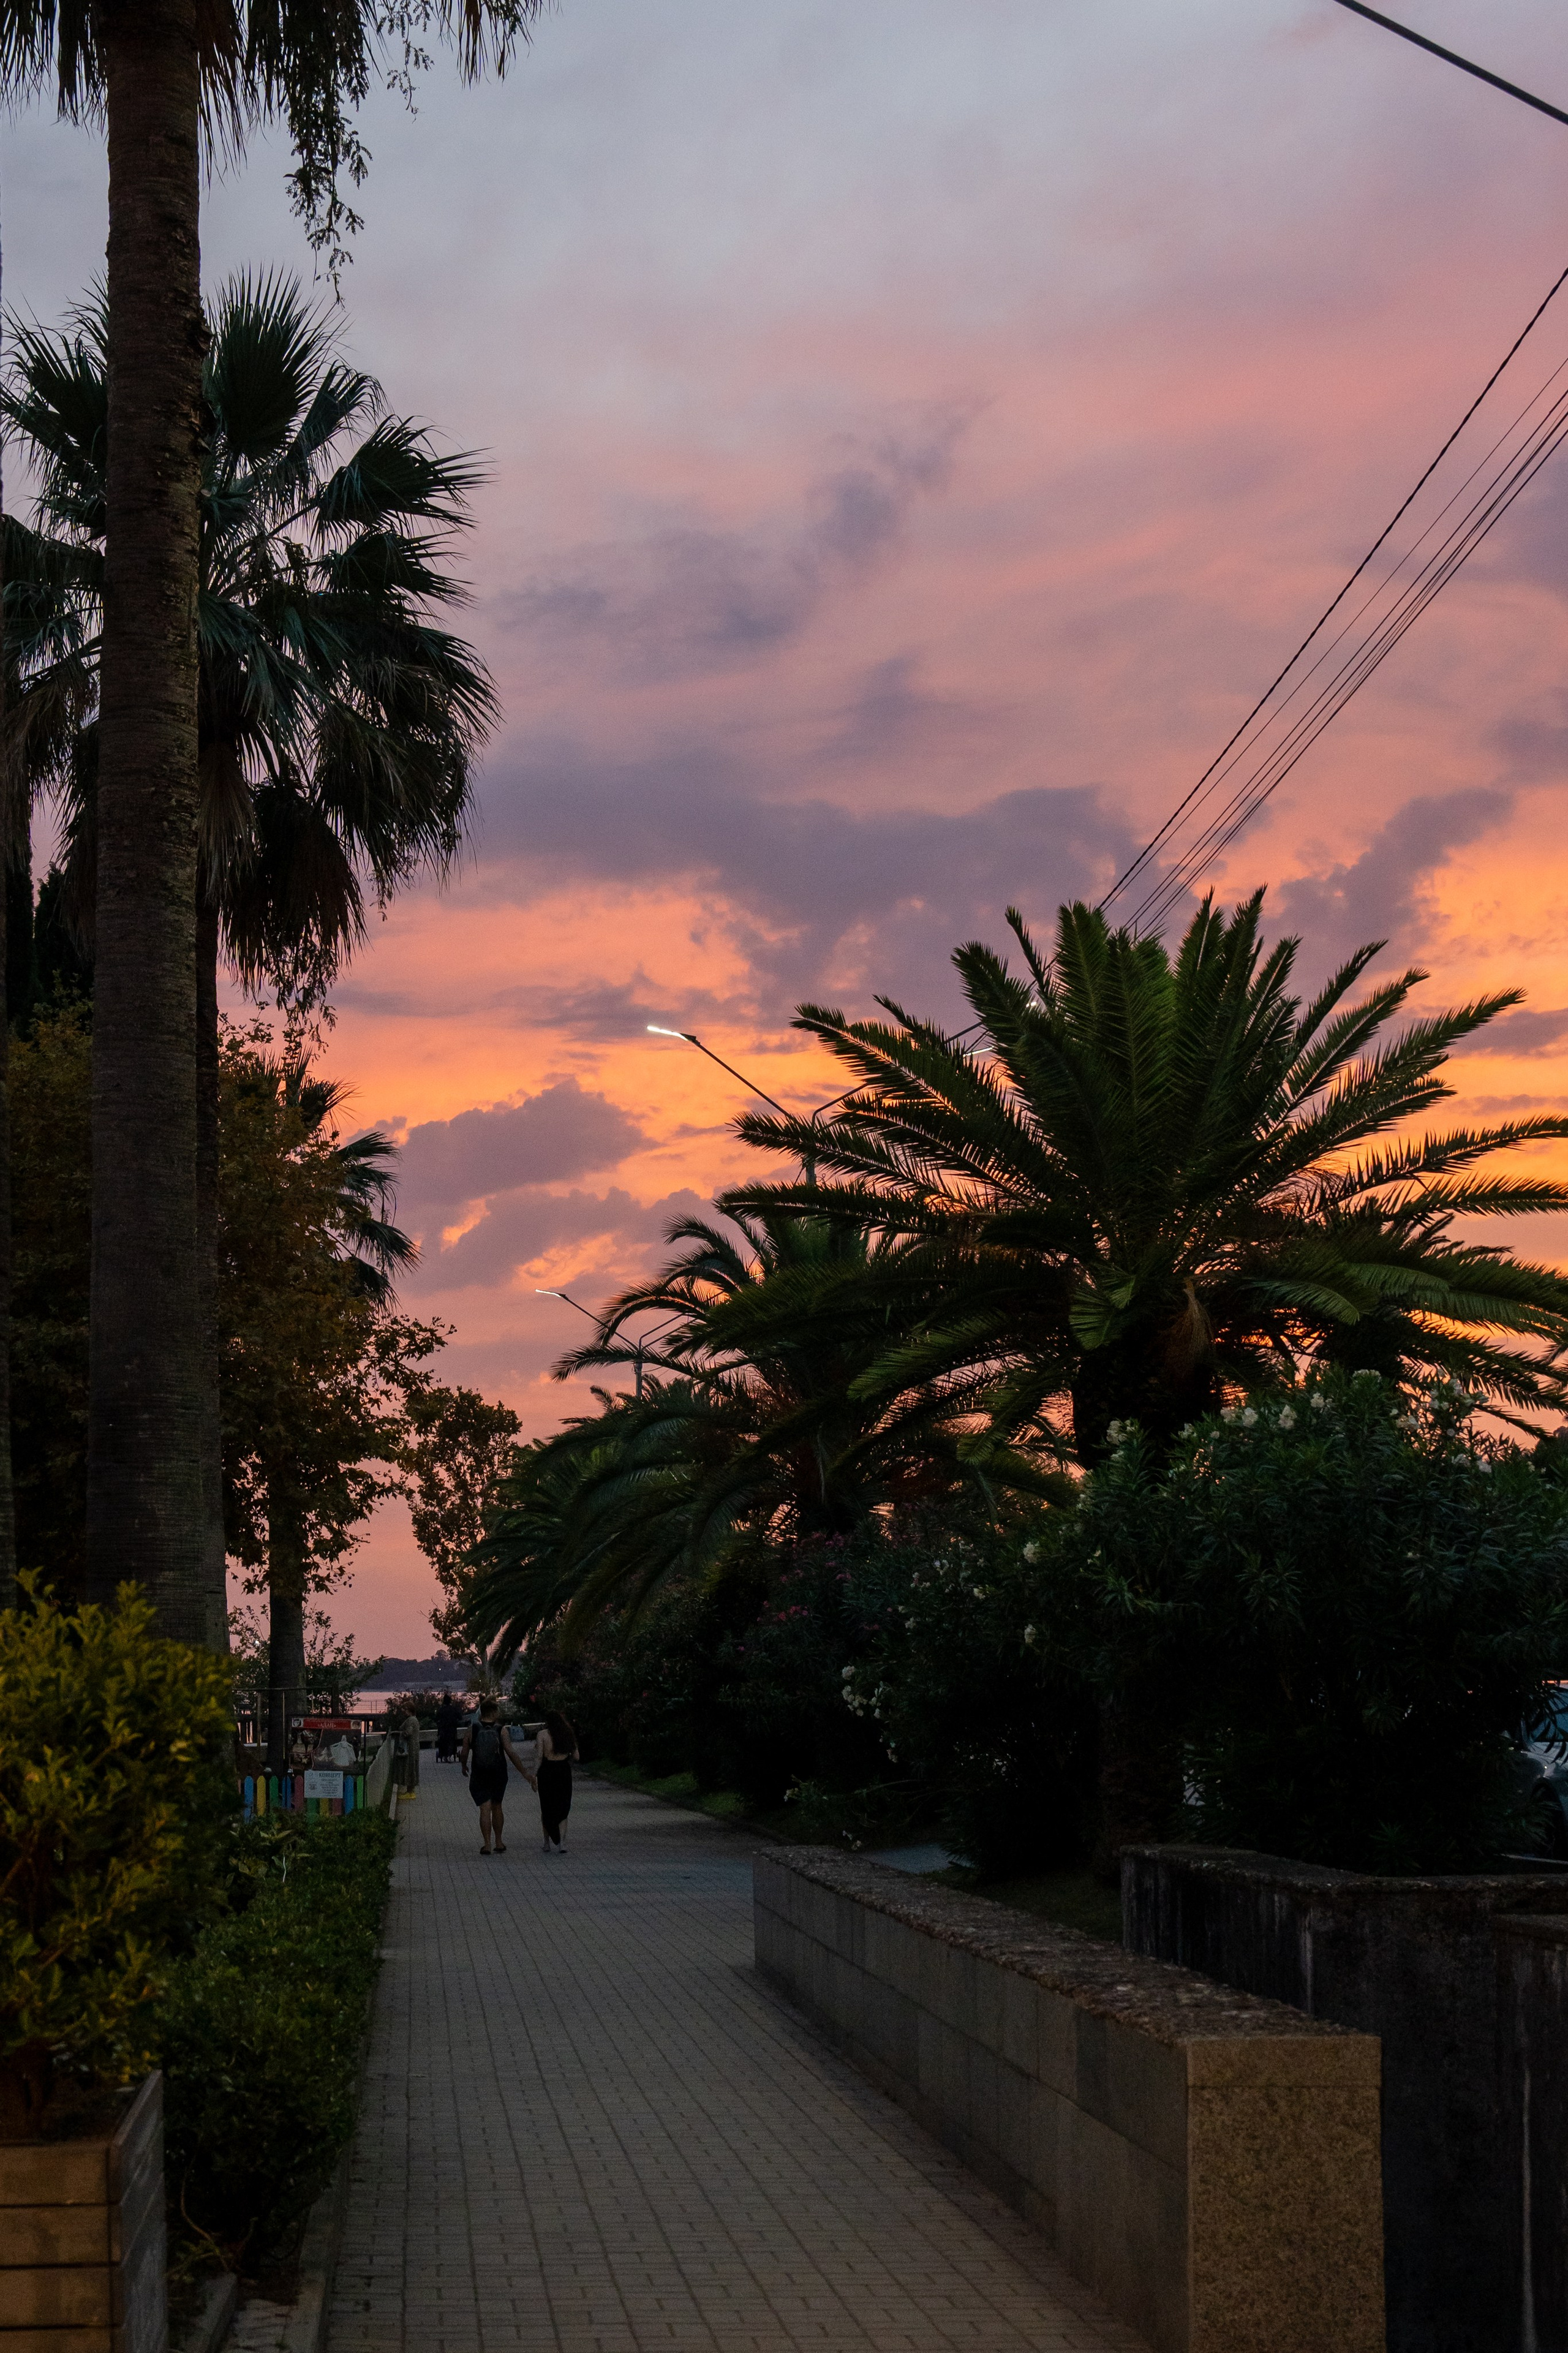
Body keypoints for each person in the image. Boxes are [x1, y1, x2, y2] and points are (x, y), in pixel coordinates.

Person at [460, 1698, 533, 1856]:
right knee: (497, 1806)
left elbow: (465, 1751)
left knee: (484, 1808)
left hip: (479, 1774)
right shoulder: (502, 1730)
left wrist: (464, 1766)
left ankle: (487, 1845)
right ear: (493, 1713)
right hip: (498, 1773)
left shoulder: (471, 1729)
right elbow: (511, 1753)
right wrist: (524, 1772)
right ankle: (499, 1842)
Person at [535, 1710, 579, 1856]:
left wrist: (533, 1775)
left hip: (547, 1772)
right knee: (563, 1807)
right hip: (563, 1772)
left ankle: (547, 1843)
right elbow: (577, 1756)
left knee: (546, 1807)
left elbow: (539, 1757)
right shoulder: (568, 1734)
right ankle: (562, 1843)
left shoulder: (542, 1735)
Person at [435, 1694, 461, 1763]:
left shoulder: (441, 1710)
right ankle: (450, 1754)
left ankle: (444, 1755)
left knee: (443, 1741)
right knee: (452, 1741)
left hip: (443, 1729)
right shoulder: (454, 1709)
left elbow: (436, 1718)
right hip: (452, 1729)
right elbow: (460, 1717)